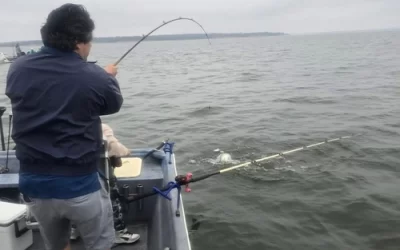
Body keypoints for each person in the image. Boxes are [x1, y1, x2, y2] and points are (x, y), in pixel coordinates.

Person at [6, 4, 123, 250]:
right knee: (99, 245)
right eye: (89, 43)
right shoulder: (93, 75)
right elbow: (112, 104)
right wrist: (108, 77)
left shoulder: (18, 68)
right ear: (80, 43)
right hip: (80, 186)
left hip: (34, 186)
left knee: (57, 246)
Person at [70, 123, 140, 244]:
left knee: (72, 202)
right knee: (113, 202)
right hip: (102, 180)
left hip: (74, 180)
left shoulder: (66, 130)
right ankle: (119, 232)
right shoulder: (102, 128)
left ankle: (73, 231)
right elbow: (118, 159)